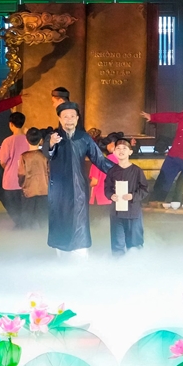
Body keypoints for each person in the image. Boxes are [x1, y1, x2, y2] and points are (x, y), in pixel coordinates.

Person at [47, 102, 114, 256]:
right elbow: (47, 152)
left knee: (79, 220)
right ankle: (61, 256)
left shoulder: (84, 138)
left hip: (79, 188)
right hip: (58, 190)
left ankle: (80, 255)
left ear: (77, 118)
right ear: (59, 118)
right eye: (65, 116)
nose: (69, 120)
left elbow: (99, 159)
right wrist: (51, 143)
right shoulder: (53, 137)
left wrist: (121, 171)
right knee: (60, 218)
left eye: (72, 116)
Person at [141, 94, 183, 205]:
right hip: (174, 155)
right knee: (163, 179)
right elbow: (170, 116)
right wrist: (152, 117)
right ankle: (154, 203)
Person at [104, 138, 149, 255]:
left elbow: (144, 189)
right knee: (117, 245)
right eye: (118, 148)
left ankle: (135, 264)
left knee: (135, 245)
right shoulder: (112, 171)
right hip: (116, 213)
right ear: (114, 152)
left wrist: (132, 196)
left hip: (133, 212)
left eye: (124, 148)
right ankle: (117, 264)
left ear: (130, 152)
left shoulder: (137, 171)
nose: (121, 150)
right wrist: (111, 196)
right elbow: (107, 188)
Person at [0, 112, 29, 226]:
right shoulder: (28, 140)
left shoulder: (7, 141)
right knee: (24, 206)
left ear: (11, 124)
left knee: (13, 206)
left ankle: (19, 224)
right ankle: (24, 225)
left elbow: (2, 161)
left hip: (10, 180)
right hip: (26, 179)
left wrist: (9, 168)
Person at [18, 127, 49, 228]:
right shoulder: (45, 156)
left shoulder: (24, 156)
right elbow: (49, 172)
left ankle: (28, 234)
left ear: (27, 140)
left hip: (29, 191)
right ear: (41, 140)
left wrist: (21, 184)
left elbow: (21, 174)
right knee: (43, 218)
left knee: (27, 217)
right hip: (44, 190)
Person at [89, 132, 123, 205]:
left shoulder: (98, 161)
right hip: (116, 198)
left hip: (100, 197)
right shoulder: (122, 161)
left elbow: (94, 182)